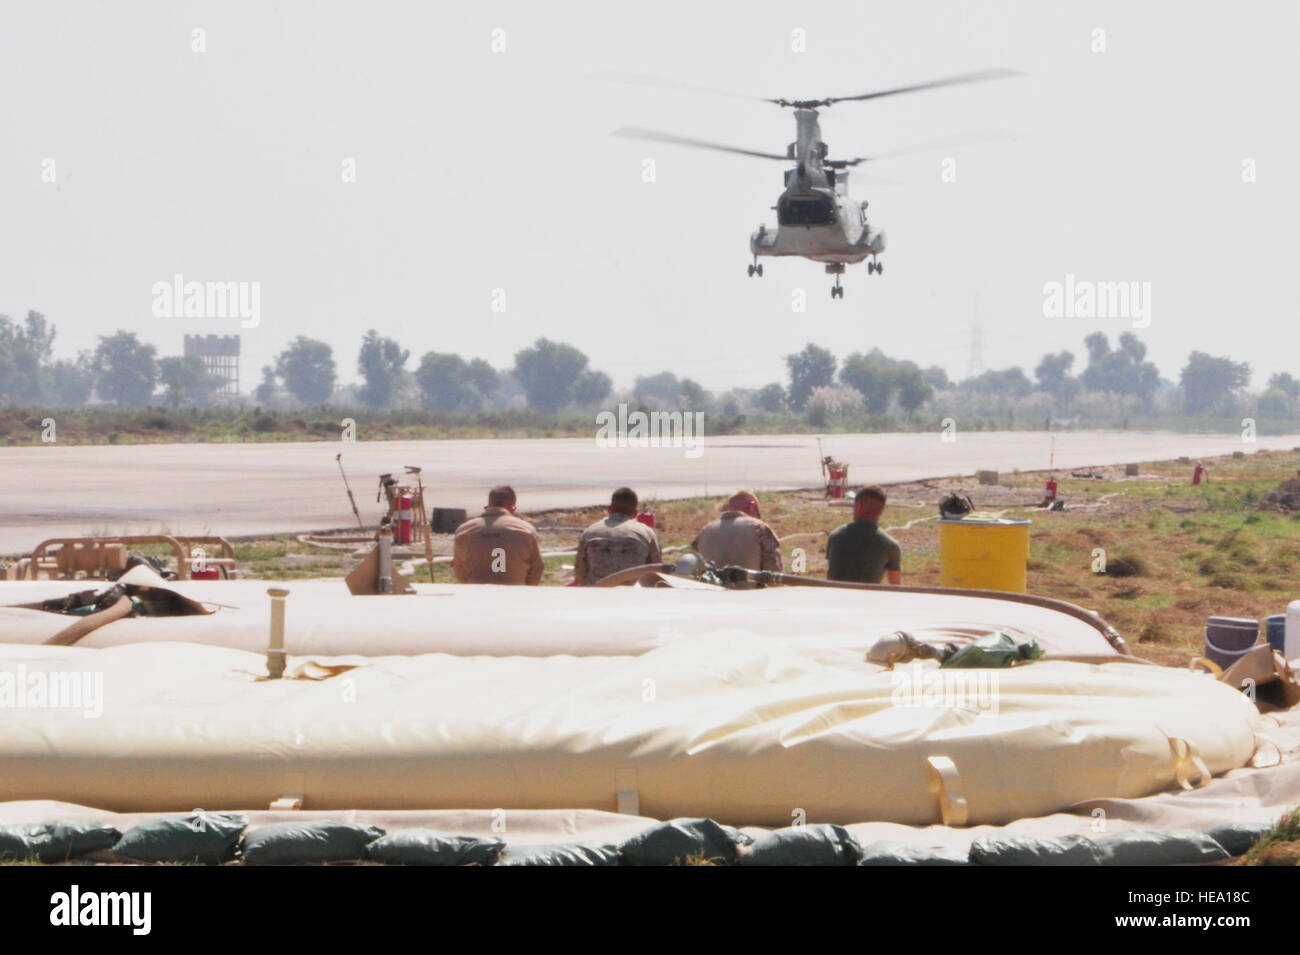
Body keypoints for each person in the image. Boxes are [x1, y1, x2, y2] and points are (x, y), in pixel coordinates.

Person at [452, 485, 544, 585]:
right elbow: (537, 567)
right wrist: (526, 590)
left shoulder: (464, 530)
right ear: (513, 509)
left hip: (477, 595)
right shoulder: (526, 530)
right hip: (515, 595)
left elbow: (458, 567)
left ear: (487, 507)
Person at [573, 487, 661, 585]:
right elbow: (656, 571)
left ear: (609, 509)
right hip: (633, 595)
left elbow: (579, 573)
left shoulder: (590, 532)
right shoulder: (646, 533)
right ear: (635, 513)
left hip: (597, 593)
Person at [692, 490, 782, 578]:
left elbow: (694, 563)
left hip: (711, 591)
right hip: (750, 591)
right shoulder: (760, 528)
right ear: (752, 507)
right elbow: (773, 571)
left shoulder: (705, 531)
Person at [826, 485, 902, 585]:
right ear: (882, 509)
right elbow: (895, 587)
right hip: (868, 599)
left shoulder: (835, 536)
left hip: (833, 597)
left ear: (859, 506)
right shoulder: (891, 546)